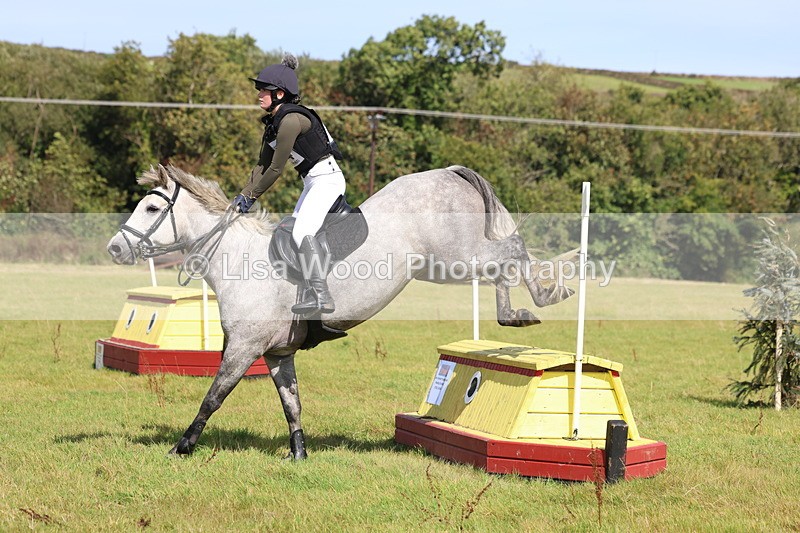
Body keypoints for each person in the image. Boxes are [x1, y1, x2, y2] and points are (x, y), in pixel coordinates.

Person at [232, 54, 345, 316]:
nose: (259, 94)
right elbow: (261, 166)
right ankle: (306, 291)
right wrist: (241, 196)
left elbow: (275, 169)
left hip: (327, 180)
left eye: (264, 90)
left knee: (300, 231)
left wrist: (252, 198)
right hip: (313, 181)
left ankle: (322, 295)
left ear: (280, 94)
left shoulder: (290, 121)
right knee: (291, 230)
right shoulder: (274, 123)